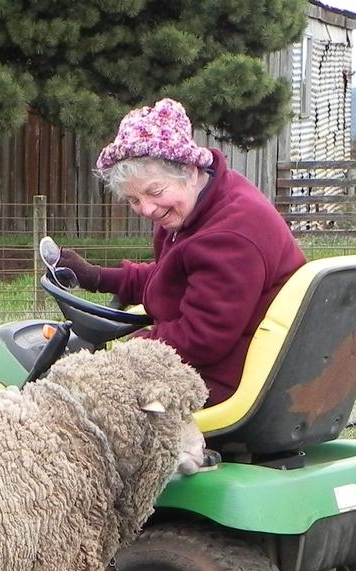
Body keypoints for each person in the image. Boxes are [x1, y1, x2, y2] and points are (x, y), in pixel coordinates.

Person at [58, 97, 306, 406]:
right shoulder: (201, 204)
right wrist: (96, 277)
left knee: (85, 399)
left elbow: (201, 339)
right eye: (134, 200)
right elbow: (173, 278)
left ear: (188, 170)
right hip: (216, 365)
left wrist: (130, 351)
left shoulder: (229, 235)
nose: (146, 208)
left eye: (155, 192)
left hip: (227, 382)